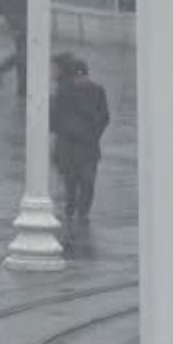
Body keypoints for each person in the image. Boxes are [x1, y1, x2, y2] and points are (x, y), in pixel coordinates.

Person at [50, 53, 110, 222]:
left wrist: (92, 134)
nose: (81, 79)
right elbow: (56, 119)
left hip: (81, 146)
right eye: (78, 75)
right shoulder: (64, 92)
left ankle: (79, 213)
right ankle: (75, 212)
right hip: (75, 146)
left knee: (83, 182)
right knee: (76, 182)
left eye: (83, 75)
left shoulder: (95, 91)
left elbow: (104, 116)